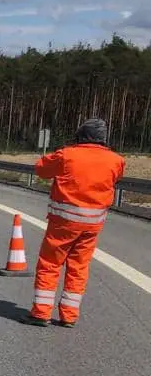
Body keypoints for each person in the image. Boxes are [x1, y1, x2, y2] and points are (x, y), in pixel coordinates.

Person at [22, 118, 126, 327]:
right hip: (93, 225)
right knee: (79, 267)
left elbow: (41, 169)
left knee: (50, 264)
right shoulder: (116, 160)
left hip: (64, 223)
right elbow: (115, 179)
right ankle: (69, 316)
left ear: (81, 136)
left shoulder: (67, 155)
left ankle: (41, 312)